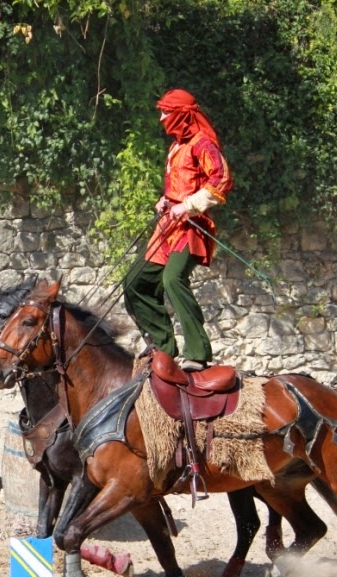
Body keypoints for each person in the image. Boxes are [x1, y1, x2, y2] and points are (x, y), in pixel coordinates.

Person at [122, 88, 233, 371]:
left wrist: (188, 205)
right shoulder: (176, 146)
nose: (161, 118)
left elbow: (220, 180)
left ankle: (197, 351)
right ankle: (163, 347)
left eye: (166, 112)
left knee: (173, 279)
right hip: (168, 227)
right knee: (136, 283)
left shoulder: (202, 143)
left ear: (181, 115)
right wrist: (166, 200)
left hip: (190, 228)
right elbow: (179, 184)